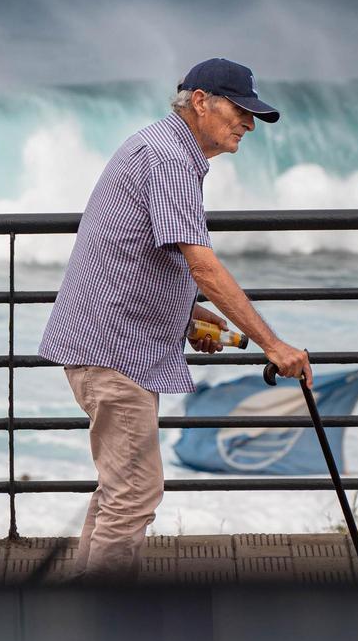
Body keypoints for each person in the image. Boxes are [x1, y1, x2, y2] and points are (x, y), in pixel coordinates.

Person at [38, 57, 312, 583]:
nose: (249, 124)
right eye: (242, 110)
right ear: (202, 101)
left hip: (113, 345)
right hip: (112, 349)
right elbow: (201, 263)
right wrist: (273, 344)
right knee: (135, 492)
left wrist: (186, 315)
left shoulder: (166, 150)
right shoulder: (169, 158)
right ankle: (105, 633)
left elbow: (135, 252)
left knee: (122, 489)